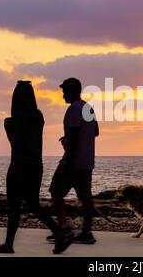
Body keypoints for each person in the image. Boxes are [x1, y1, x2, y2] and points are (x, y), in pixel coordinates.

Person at [0, 80, 74, 254]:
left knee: (14, 206)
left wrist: (7, 125)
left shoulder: (14, 120)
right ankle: (58, 232)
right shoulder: (39, 116)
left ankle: (9, 244)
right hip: (36, 166)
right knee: (33, 205)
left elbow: (16, 143)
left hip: (19, 166)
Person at [49, 77, 99, 244]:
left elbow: (75, 132)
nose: (63, 95)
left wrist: (68, 150)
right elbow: (96, 131)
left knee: (55, 192)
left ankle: (64, 229)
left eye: (64, 91)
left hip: (72, 161)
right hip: (87, 162)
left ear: (72, 91)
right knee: (86, 198)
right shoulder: (88, 108)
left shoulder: (73, 109)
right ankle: (86, 233)